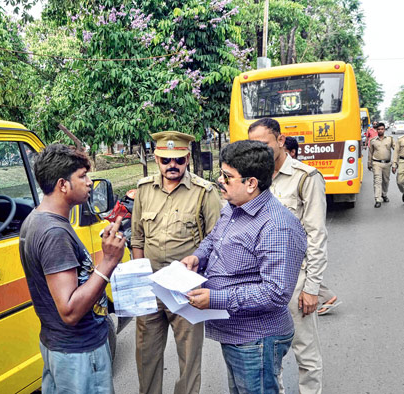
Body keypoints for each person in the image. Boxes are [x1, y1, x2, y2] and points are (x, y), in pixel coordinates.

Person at [183, 140, 307, 393]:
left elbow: (276, 292)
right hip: (235, 333)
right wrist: (198, 257)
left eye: (227, 177)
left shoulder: (276, 226)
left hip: (256, 339)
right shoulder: (234, 208)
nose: (220, 181)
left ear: (251, 183)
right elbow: (215, 239)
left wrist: (216, 298)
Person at [18, 144, 126, 393]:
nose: (89, 182)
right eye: (82, 176)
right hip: (78, 353)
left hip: (60, 347)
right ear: (62, 185)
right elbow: (70, 311)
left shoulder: (36, 218)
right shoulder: (54, 233)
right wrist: (109, 261)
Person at [131, 130, 222, 394]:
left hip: (187, 291)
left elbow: (217, 242)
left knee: (189, 360)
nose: (173, 166)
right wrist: (140, 282)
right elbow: (137, 239)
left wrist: (204, 287)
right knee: (146, 357)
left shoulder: (205, 193)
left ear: (187, 159)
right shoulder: (144, 190)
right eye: (166, 160)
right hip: (151, 287)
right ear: (156, 158)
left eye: (179, 160)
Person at [248, 118, 328, 394]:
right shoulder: (253, 179)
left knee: (306, 354)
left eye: (264, 144)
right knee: (269, 354)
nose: (258, 151)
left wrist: (312, 287)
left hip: (295, 281)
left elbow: (317, 237)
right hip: (260, 284)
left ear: (281, 141)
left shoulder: (306, 177)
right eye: (253, 146)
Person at [282, 136, 340, 317]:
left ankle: (328, 297)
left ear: (290, 152)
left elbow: (316, 232)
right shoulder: (264, 179)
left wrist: (312, 290)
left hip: (300, 256)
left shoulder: (305, 178)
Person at [368, 122, 394, 208]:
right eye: (378, 129)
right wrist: (369, 163)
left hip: (387, 163)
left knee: (386, 181)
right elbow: (370, 153)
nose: (380, 131)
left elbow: (396, 149)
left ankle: (384, 194)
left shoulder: (390, 139)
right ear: (376, 130)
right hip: (376, 163)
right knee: (377, 181)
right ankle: (377, 199)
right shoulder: (373, 141)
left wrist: (395, 162)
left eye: (382, 129)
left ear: (384, 129)